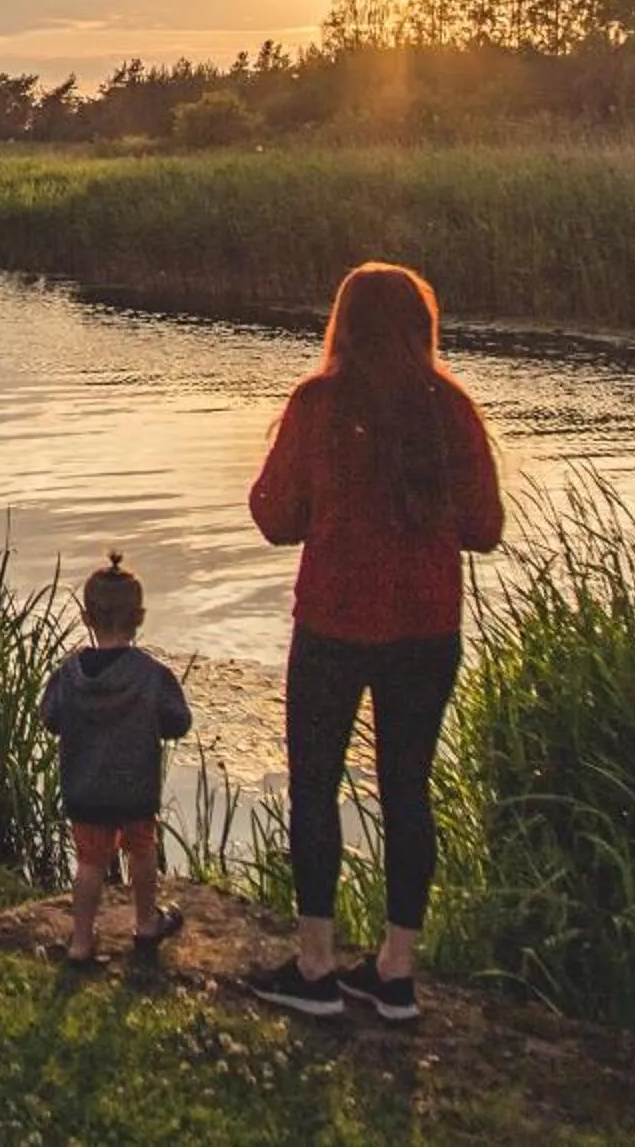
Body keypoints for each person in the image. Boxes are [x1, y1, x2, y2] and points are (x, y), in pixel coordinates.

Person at [243, 262, 502, 1025]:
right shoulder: (451, 409)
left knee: (314, 789)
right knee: (408, 790)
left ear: (343, 323)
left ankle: (316, 966)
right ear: (423, 325)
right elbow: (485, 529)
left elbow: (271, 512)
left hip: (333, 622)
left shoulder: (319, 403)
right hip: (428, 630)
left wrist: (328, 517)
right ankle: (395, 972)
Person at [40, 553, 193, 966]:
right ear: (139, 618)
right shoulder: (152, 675)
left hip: (85, 790)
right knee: (141, 852)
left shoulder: (68, 675)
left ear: (87, 617)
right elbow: (179, 722)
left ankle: (81, 942)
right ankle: (146, 923)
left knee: (89, 863)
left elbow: (50, 718)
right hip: (135, 789)